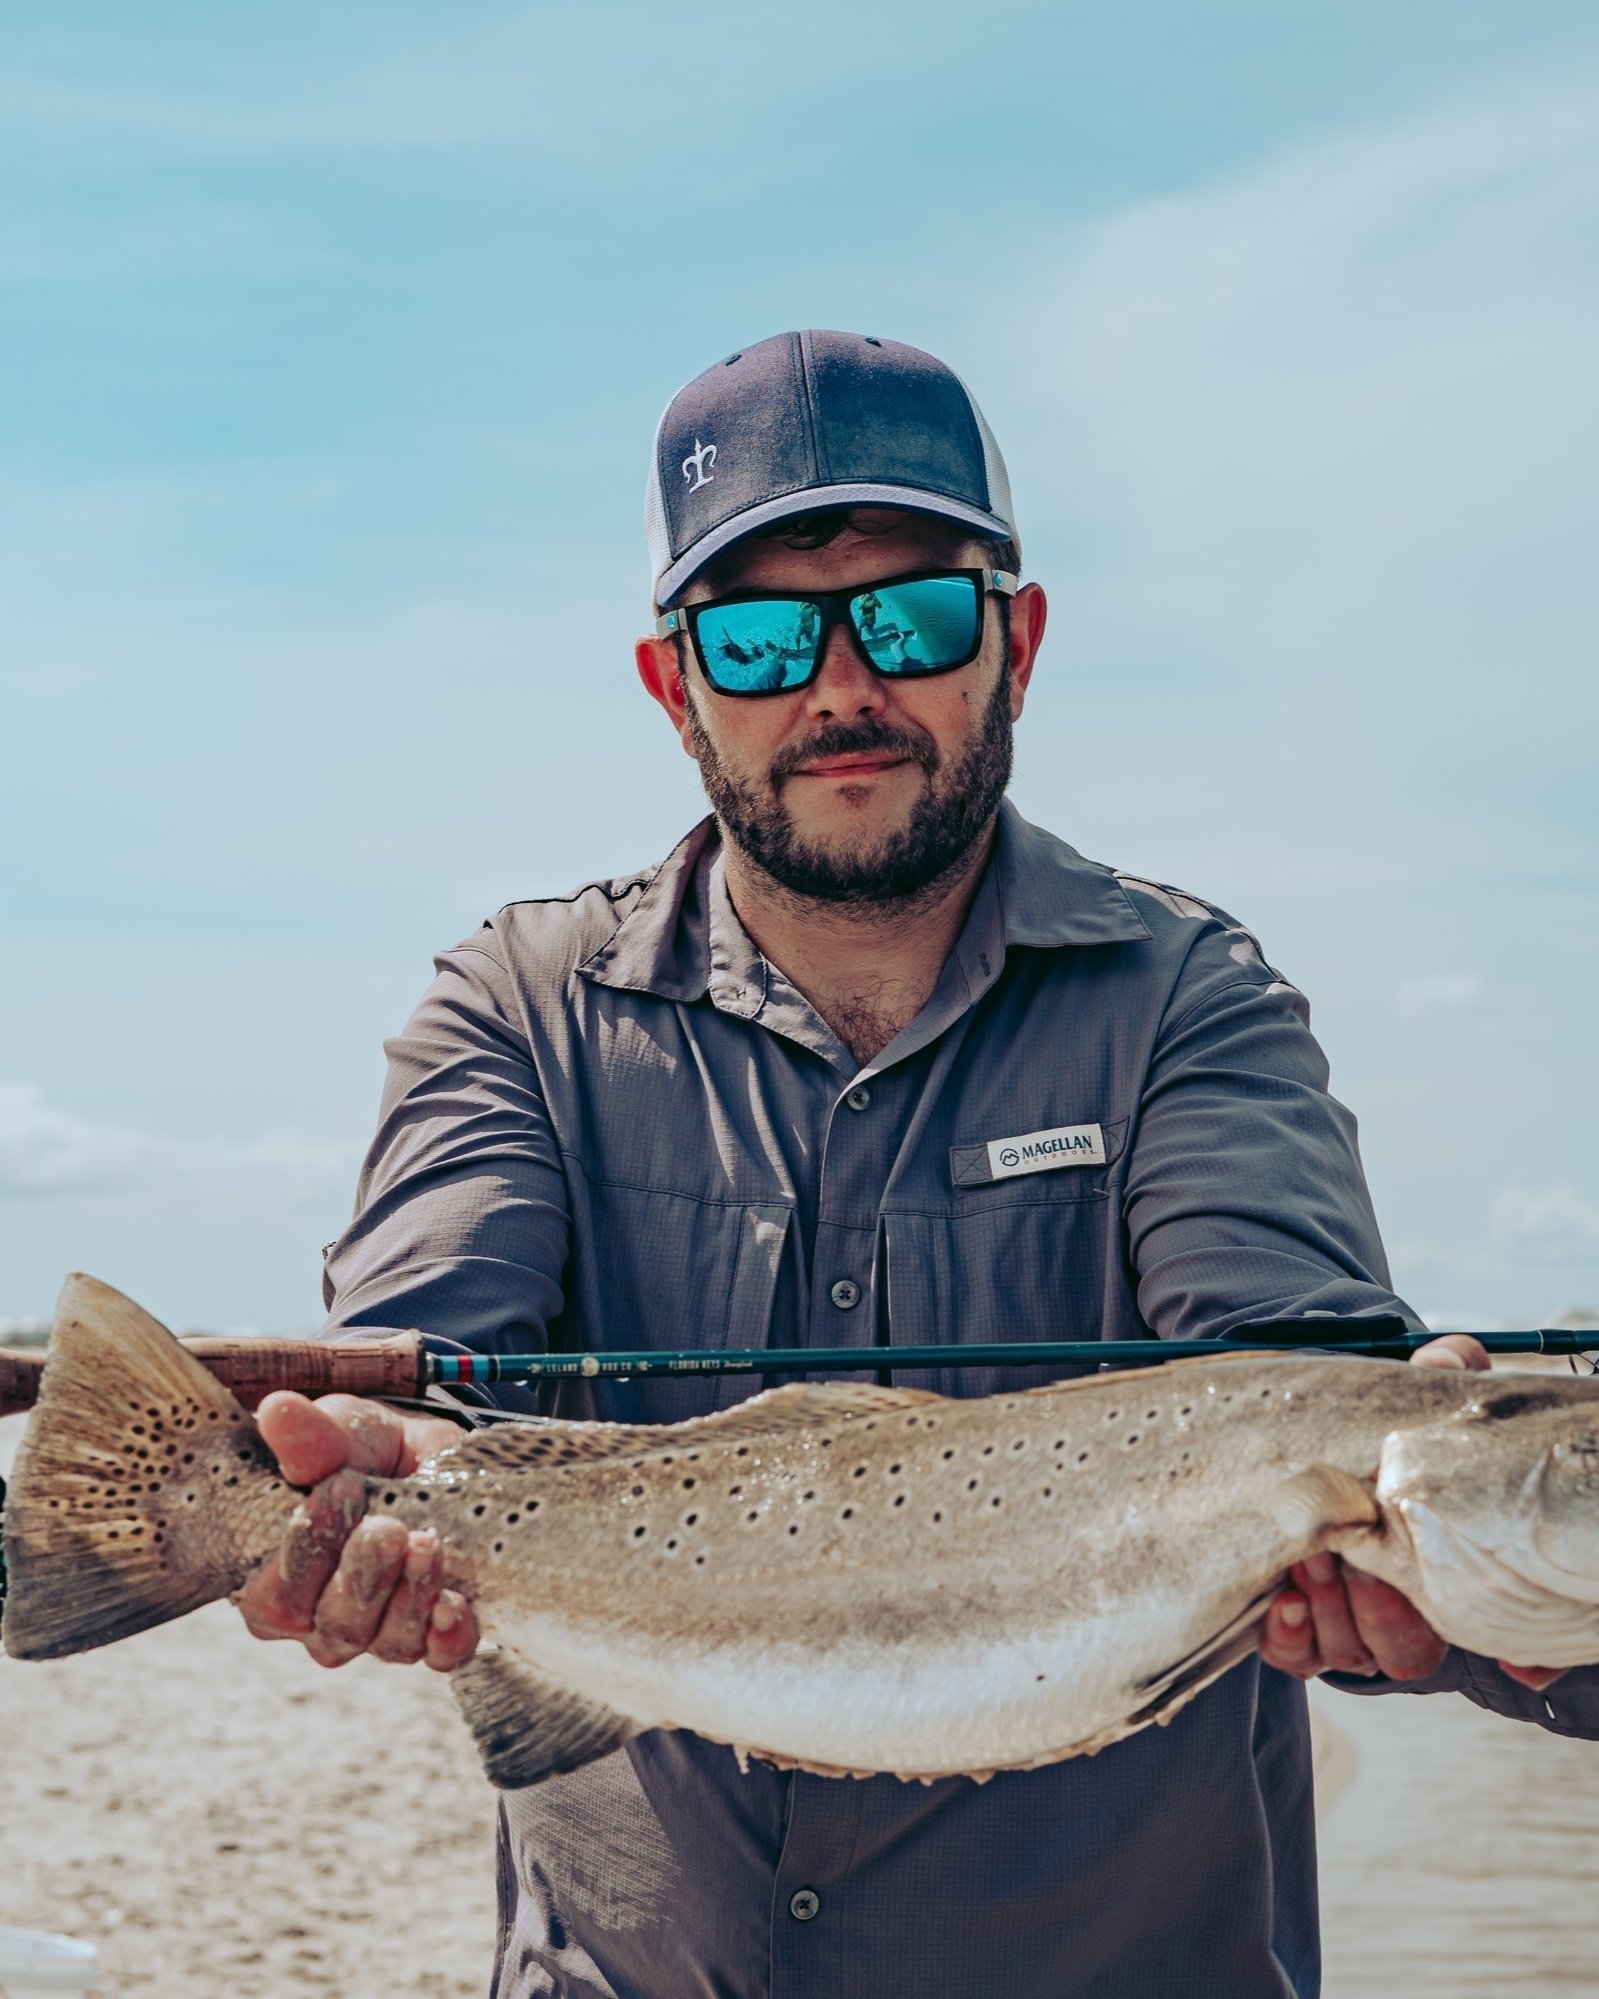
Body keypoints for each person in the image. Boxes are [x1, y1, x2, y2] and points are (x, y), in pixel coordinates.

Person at [236, 331, 1599, 1999]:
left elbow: (1291, 1359)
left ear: (1013, 643)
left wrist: (1464, 1623)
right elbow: (429, 1376)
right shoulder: (517, 1010)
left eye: (911, 615)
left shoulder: (1191, 1001)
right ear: (677, 688)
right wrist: (349, 1477)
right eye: (755, 637)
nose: (839, 689)